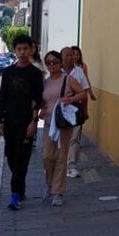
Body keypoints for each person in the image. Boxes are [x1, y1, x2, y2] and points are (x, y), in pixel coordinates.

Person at [0, 36, 43, 211]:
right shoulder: (8, 72)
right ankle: (20, 188)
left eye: (25, 49)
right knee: (11, 156)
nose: (22, 52)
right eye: (19, 49)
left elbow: (38, 100)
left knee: (22, 158)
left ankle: (15, 195)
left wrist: (33, 122)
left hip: (26, 122)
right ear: (15, 50)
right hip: (10, 121)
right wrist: (0, 120)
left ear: (31, 50)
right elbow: (2, 97)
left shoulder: (35, 73)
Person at [40, 50, 86, 206]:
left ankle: (57, 192)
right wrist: (40, 111)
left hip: (64, 123)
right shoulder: (46, 82)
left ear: (60, 63)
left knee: (61, 157)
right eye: (48, 63)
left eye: (54, 62)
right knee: (47, 156)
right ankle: (50, 184)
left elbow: (83, 94)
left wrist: (71, 99)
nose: (51, 65)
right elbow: (43, 100)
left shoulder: (68, 79)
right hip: (48, 123)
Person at [61, 46, 92, 178]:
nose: (71, 57)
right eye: (67, 55)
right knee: (60, 138)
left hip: (75, 109)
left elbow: (84, 93)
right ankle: (59, 165)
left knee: (74, 138)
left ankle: (71, 166)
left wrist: (85, 111)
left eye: (72, 55)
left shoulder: (79, 72)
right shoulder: (57, 71)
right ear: (62, 57)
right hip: (60, 111)